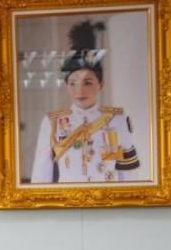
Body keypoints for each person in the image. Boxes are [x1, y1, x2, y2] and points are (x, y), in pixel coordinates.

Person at [30, 21, 142, 184]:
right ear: (66, 86)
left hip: (107, 198)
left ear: (101, 85)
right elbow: (41, 177)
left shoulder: (118, 120)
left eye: (88, 83)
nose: (80, 90)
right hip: (68, 198)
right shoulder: (52, 123)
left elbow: (129, 175)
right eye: (73, 83)